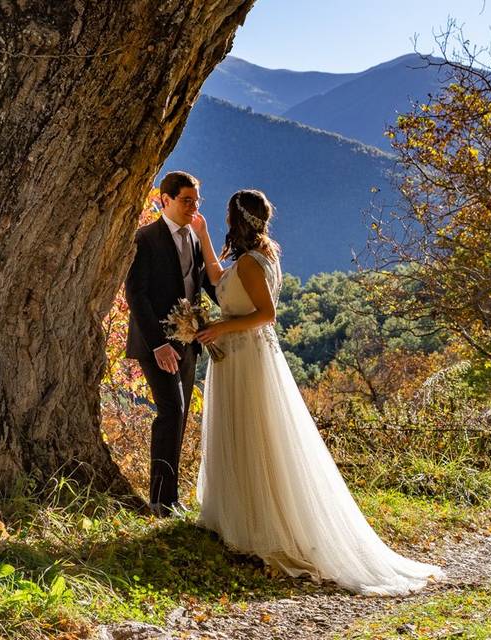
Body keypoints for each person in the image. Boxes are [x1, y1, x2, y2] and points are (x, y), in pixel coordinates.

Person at [189, 188, 444, 595]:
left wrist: (219, 328)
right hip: (237, 358)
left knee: (253, 435)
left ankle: (259, 525)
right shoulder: (257, 256)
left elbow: (266, 314)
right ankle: (238, 515)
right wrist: (201, 235)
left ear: (236, 219)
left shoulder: (254, 263)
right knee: (243, 434)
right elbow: (219, 280)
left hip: (247, 358)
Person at [124, 171, 214, 517]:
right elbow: (136, 294)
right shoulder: (144, 238)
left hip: (188, 345)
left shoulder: (193, 238)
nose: (194, 207)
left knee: (179, 418)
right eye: (186, 200)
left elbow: (201, 284)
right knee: (171, 412)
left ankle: (171, 498)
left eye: (196, 200)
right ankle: (159, 499)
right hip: (156, 346)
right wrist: (159, 344)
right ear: (165, 200)